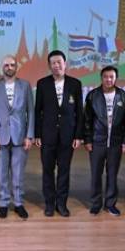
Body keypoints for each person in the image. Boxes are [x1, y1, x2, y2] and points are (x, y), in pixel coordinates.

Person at [34, 50, 83, 217]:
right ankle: (49, 204)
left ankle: (61, 204)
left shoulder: (75, 84)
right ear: (49, 66)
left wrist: (78, 136)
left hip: (67, 136)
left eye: (59, 62)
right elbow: (37, 111)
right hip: (47, 135)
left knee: (64, 171)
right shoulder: (42, 84)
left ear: (65, 64)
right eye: (53, 63)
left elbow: (79, 112)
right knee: (47, 171)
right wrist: (37, 134)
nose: (56, 65)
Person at [0, 55, 34, 219]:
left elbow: (31, 112)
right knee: (1, 173)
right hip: (0, 136)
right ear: (2, 67)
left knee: (18, 173)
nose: (9, 67)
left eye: (12, 65)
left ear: (16, 66)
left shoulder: (25, 85)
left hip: (20, 136)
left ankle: (19, 203)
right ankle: (4, 203)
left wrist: (29, 135)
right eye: (6, 65)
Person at [83, 65, 125, 216]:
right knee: (96, 174)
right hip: (97, 141)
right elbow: (87, 120)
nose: (108, 79)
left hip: (115, 142)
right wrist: (88, 140)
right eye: (106, 77)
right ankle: (96, 204)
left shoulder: (122, 96)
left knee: (112, 174)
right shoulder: (92, 96)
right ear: (101, 78)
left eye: (111, 77)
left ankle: (110, 204)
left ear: (116, 78)